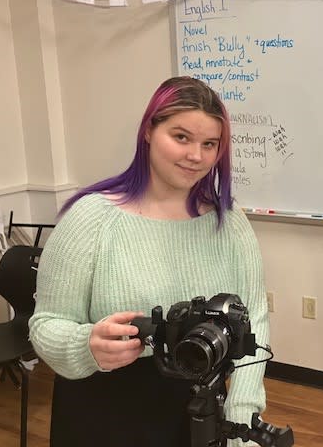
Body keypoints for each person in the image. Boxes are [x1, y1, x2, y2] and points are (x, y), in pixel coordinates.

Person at [29, 76, 269, 447]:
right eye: (181, 137)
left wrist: (242, 414)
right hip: (106, 411)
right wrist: (86, 344)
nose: (196, 156)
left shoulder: (229, 221)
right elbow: (45, 324)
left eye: (210, 144)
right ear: (149, 131)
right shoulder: (91, 218)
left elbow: (255, 318)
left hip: (201, 408)